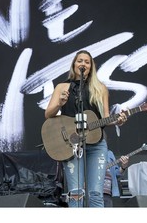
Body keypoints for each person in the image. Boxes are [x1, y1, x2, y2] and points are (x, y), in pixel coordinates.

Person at [44, 50, 127, 207]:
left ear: (91, 67)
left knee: (96, 193)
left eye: (87, 62)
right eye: (80, 61)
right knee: (76, 193)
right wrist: (59, 104)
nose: (83, 64)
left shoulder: (100, 88)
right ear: (74, 64)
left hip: (97, 145)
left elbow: (105, 117)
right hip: (72, 145)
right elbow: (48, 114)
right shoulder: (62, 87)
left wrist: (118, 121)